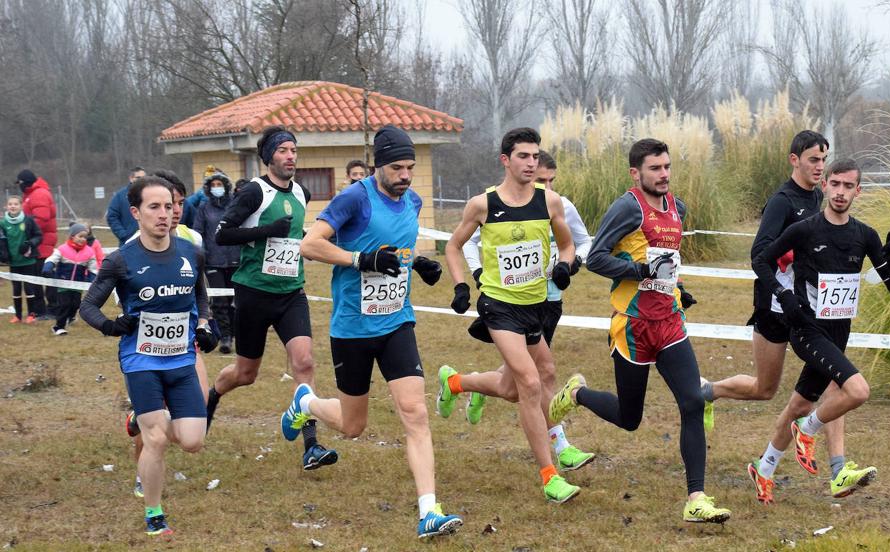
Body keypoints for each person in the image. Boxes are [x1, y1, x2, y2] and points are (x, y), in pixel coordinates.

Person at [289, 125, 463, 538]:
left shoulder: (413, 200)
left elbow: (394, 248)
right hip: (352, 328)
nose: (405, 175)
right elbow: (309, 245)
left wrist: (417, 262)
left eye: (410, 167)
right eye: (397, 168)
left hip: (396, 322)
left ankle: (428, 511)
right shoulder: (354, 198)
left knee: (415, 413)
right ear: (377, 165)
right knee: (353, 427)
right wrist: (360, 260)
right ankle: (306, 403)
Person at [548, 138, 732, 523]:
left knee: (693, 402)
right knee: (630, 418)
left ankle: (696, 498)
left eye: (666, 167)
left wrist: (677, 288)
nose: (663, 174)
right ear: (636, 172)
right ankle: (577, 393)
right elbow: (596, 257)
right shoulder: (627, 208)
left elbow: (668, 264)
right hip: (631, 327)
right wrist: (638, 273)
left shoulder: (677, 208)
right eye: (655, 168)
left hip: (669, 322)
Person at [700, 131, 859, 492]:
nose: (820, 167)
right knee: (764, 388)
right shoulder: (781, 202)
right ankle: (709, 392)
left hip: (809, 309)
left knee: (837, 380)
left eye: (823, 160)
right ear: (794, 160)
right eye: (813, 160)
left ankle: (838, 469)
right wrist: (788, 264)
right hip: (775, 307)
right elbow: (760, 255)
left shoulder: (820, 196)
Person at [746, 158, 890, 504]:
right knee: (857, 391)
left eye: (849, 186)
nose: (841, 192)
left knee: (800, 403)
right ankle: (811, 434)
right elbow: (760, 260)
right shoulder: (805, 229)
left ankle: (765, 467)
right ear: (825, 186)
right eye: (835, 184)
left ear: (858, 191)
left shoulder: (865, 235)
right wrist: (784, 296)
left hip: (838, 334)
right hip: (807, 329)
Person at [441, 127, 582, 504]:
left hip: (534, 306)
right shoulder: (482, 204)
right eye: (523, 156)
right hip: (498, 307)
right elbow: (453, 247)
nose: (531, 163)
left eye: (535, 156)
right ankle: (550, 475)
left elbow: (567, 245)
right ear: (506, 160)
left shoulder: (551, 202)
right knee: (531, 384)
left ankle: (457, 383)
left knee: (521, 383)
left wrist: (565, 266)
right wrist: (460, 286)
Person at [80, 176, 217, 537]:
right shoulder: (120, 260)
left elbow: (199, 295)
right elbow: (88, 306)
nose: (164, 214)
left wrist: (204, 322)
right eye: (154, 207)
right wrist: (113, 327)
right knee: (155, 439)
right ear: (136, 213)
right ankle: (154, 513)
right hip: (140, 360)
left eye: (170, 206)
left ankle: (139, 419)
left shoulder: (192, 253)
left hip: (181, 358)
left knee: (192, 441)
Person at [205, 125, 338, 470]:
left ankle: (311, 445)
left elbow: (295, 235)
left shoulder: (301, 194)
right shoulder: (254, 193)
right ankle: (212, 396)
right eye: (283, 151)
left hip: (291, 292)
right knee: (246, 373)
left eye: (293, 150)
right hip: (253, 294)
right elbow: (223, 235)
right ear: (268, 158)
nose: (290, 156)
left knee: (305, 361)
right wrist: (267, 231)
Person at [123, 169, 212, 499]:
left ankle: (146, 431)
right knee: (152, 421)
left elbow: (200, 291)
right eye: (166, 204)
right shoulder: (135, 245)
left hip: (185, 344)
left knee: (193, 414)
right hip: (145, 349)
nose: (173, 211)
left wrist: (204, 323)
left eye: (178, 203)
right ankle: (142, 471)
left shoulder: (193, 242)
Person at [193, 170, 240, 353]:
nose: (216, 188)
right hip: (213, 262)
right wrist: (201, 255)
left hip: (236, 259)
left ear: (226, 186)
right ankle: (225, 337)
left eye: (219, 185)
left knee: (235, 301)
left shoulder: (235, 206)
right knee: (219, 301)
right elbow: (198, 233)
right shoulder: (204, 208)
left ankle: (237, 334)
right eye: (213, 185)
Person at [41, 223, 98, 335]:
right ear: (72, 236)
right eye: (80, 236)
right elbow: (52, 258)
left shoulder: (89, 252)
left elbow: (93, 268)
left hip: (78, 284)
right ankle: (58, 327)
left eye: (85, 237)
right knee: (64, 304)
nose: (83, 239)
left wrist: (94, 280)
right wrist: (48, 267)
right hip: (63, 283)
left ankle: (70, 317)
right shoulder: (62, 249)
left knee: (76, 304)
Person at [17, 169, 58, 316]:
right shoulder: (31, 194)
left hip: (42, 242)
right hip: (38, 242)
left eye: (20, 183)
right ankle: (40, 310)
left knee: (44, 277)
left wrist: (23, 231)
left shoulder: (39, 194)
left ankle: (52, 309)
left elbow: (41, 218)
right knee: (36, 278)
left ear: (26, 182)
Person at [1, 195, 43, 323]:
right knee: (16, 288)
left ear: (21, 206)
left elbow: (38, 236)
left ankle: (31, 314)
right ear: (6, 206)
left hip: (28, 260)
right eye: (10, 204)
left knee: (29, 288)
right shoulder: (3, 223)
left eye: (15, 204)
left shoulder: (28, 220)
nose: (13, 206)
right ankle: (18, 315)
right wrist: (3, 254)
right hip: (13, 261)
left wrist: (30, 243)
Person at [107, 166, 147, 245]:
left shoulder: (151, 194)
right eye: (138, 177)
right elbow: (112, 216)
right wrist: (123, 235)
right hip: (128, 243)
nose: (141, 180)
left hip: (149, 241)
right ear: (131, 178)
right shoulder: (120, 196)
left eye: (144, 178)